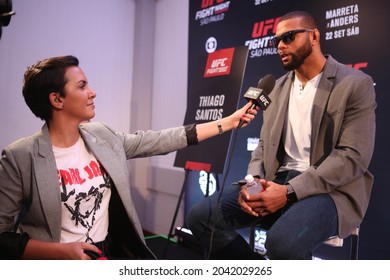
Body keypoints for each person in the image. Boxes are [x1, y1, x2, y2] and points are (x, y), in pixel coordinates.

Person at [0, 55, 257, 260]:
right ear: (57, 99)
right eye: (82, 86)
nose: (92, 92)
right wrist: (60, 253)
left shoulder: (102, 135)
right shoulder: (20, 157)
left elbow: (159, 140)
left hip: (107, 255)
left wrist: (227, 122)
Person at [186, 10, 376, 260]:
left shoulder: (354, 84)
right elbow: (263, 146)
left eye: (288, 37)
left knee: (283, 245)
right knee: (200, 218)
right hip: (279, 180)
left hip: (331, 190)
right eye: (276, 41)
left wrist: (289, 192)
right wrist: (252, 183)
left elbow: (352, 157)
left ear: (314, 36)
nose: (280, 46)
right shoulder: (276, 88)